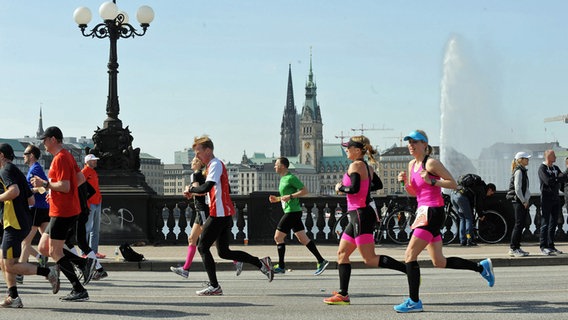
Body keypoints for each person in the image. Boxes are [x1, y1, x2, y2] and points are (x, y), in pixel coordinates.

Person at [395, 130, 494, 313]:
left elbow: (453, 184)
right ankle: (481, 267)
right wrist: (404, 183)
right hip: (423, 212)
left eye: (415, 142)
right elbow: (415, 193)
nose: (411, 145)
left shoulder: (431, 163)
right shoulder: (411, 165)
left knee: (409, 255)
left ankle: (414, 301)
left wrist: (433, 181)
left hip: (433, 211)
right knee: (439, 261)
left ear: (425, 144)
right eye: (409, 142)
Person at [323, 136, 407, 305]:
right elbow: (377, 185)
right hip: (357, 214)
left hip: (360, 215)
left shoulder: (356, 165)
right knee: (342, 254)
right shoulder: (366, 167)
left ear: (357, 150)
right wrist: (362, 189)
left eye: (349, 147)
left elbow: (353, 189)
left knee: (369, 259)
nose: (346, 150)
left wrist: (340, 188)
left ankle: (409, 270)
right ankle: (343, 294)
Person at [185, 136, 273, 296]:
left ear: (208, 150)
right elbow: (205, 188)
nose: (197, 156)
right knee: (224, 252)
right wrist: (193, 189)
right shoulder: (212, 165)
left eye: (198, 152)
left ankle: (214, 286)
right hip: (222, 213)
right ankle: (261, 263)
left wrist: (191, 189)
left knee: (202, 247)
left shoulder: (215, 164)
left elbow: (207, 186)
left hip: (219, 213)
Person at [30, 126, 97, 301]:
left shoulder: (60, 158)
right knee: (45, 248)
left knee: (54, 251)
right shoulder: (67, 155)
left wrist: (45, 185)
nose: (43, 143)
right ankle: (83, 263)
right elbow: (80, 179)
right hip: (63, 208)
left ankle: (78, 289)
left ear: (53, 139)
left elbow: (66, 186)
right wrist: (53, 192)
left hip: (63, 210)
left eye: (45, 140)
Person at [0, 143, 60, 308]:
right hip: (17, 221)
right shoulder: (16, 170)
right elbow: (30, 199)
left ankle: (48, 272)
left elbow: (14, 192)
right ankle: (13, 297)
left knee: (10, 264)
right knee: (3, 261)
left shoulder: (5, 170)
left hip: (14, 223)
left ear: (1, 155)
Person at [268, 157, 328, 275]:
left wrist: (290, 196)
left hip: (292, 212)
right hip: (291, 210)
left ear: (283, 166)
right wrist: (278, 199)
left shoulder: (291, 178)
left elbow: (304, 190)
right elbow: (286, 196)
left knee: (278, 237)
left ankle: (281, 266)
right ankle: (321, 260)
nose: (274, 166)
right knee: (303, 238)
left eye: (276, 164)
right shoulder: (283, 178)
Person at [170, 157, 214, 278]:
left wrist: (188, 191)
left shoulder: (196, 175)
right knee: (192, 239)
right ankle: (185, 269)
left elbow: (201, 192)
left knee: (211, 239)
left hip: (202, 210)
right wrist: (190, 191)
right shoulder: (202, 174)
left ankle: (236, 260)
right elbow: (202, 191)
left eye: (194, 161)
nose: (191, 163)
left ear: (199, 163)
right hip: (200, 210)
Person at [17, 144, 50, 285]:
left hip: (36, 208)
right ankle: (74, 262)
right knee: (50, 242)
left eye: (25, 153)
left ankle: (20, 272)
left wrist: (29, 191)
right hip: (43, 208)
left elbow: (43, 187)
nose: (23, 156)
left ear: (31, 155)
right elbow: (44, 188)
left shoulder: (34, 169)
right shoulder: (36, 169)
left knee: (25, 241)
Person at [537, 150, 565, 255]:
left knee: (554, 223)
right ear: (549, 156)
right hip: (546, 199)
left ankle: (551, 245)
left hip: (556, 199)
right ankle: (543, 246)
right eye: (554, 155)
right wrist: (558, 179)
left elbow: (564, 178)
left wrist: (556, 179)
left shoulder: (555, 168)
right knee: (545, 223)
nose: (556, 157)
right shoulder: (542, 168)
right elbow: (548, 181)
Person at [506, 151, 532, 257]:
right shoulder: (519, 171)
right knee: (518, 225)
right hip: (518, 201)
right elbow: (517, 188)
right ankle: (513, 248)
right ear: (520, 160)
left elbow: (525, 188)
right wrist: (524, 201)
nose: (528, 160)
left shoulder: (522, 171)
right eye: (526, 158)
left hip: (520, 201)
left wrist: (526, 199)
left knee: (520, 224)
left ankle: (517, 247)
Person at [450, 174, 487, 246]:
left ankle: (463, 240)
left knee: (462, 218)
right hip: (461, 197)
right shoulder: (481, 189)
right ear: (490, 189)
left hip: (454, 194)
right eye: (491, 193)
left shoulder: (473, 185)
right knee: (468, 218)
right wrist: (481, 215)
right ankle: (469, 239)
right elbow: (478, 204)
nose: (490, 195)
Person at [82, 154, 105, 259]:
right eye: (93, 160)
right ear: (87, 162)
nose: (95, 162)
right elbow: (81, 189)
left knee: (95, 229)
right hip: (90, 204)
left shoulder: (94, 172)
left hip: (97, 202)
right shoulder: (84, 172)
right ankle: (84, 252)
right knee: (87, 229)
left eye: (95, 160)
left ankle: (94, 252)